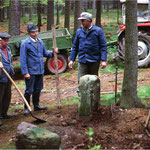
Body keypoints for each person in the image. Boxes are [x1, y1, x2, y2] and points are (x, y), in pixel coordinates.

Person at [20, 23, 58, 115]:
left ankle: (36, 105)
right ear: (29, 33)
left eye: (36, 31)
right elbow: (23, 59)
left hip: (40, 70)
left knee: (38, 89)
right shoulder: (25, 43)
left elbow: (45, 53)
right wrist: (25, 72)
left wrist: (53, 52)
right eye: (33, 32)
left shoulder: (40, 42)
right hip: (31, 71)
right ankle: (27, 107)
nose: (35, 34)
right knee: (29, 90)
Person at [68, 12, 107, 82]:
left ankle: (93, 93)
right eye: (81, 21)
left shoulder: (98, 31)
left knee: (93, 81)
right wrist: (72, 60)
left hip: (94, 60)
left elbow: (103, 46)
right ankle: (81, 93)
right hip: (83, 60)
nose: (81, 22)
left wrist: (103, 60)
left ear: (89, 21)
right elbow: (75, 46)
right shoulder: (79, 31)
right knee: (81, 81)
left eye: (83, 21)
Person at [0, 33, 15, 124]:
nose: (7, 42)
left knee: (7, 96)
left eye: (7, 41)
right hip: (0, 77)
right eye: (5, 41)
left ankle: (4, 113)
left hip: (8, 76)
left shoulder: (8, 49)